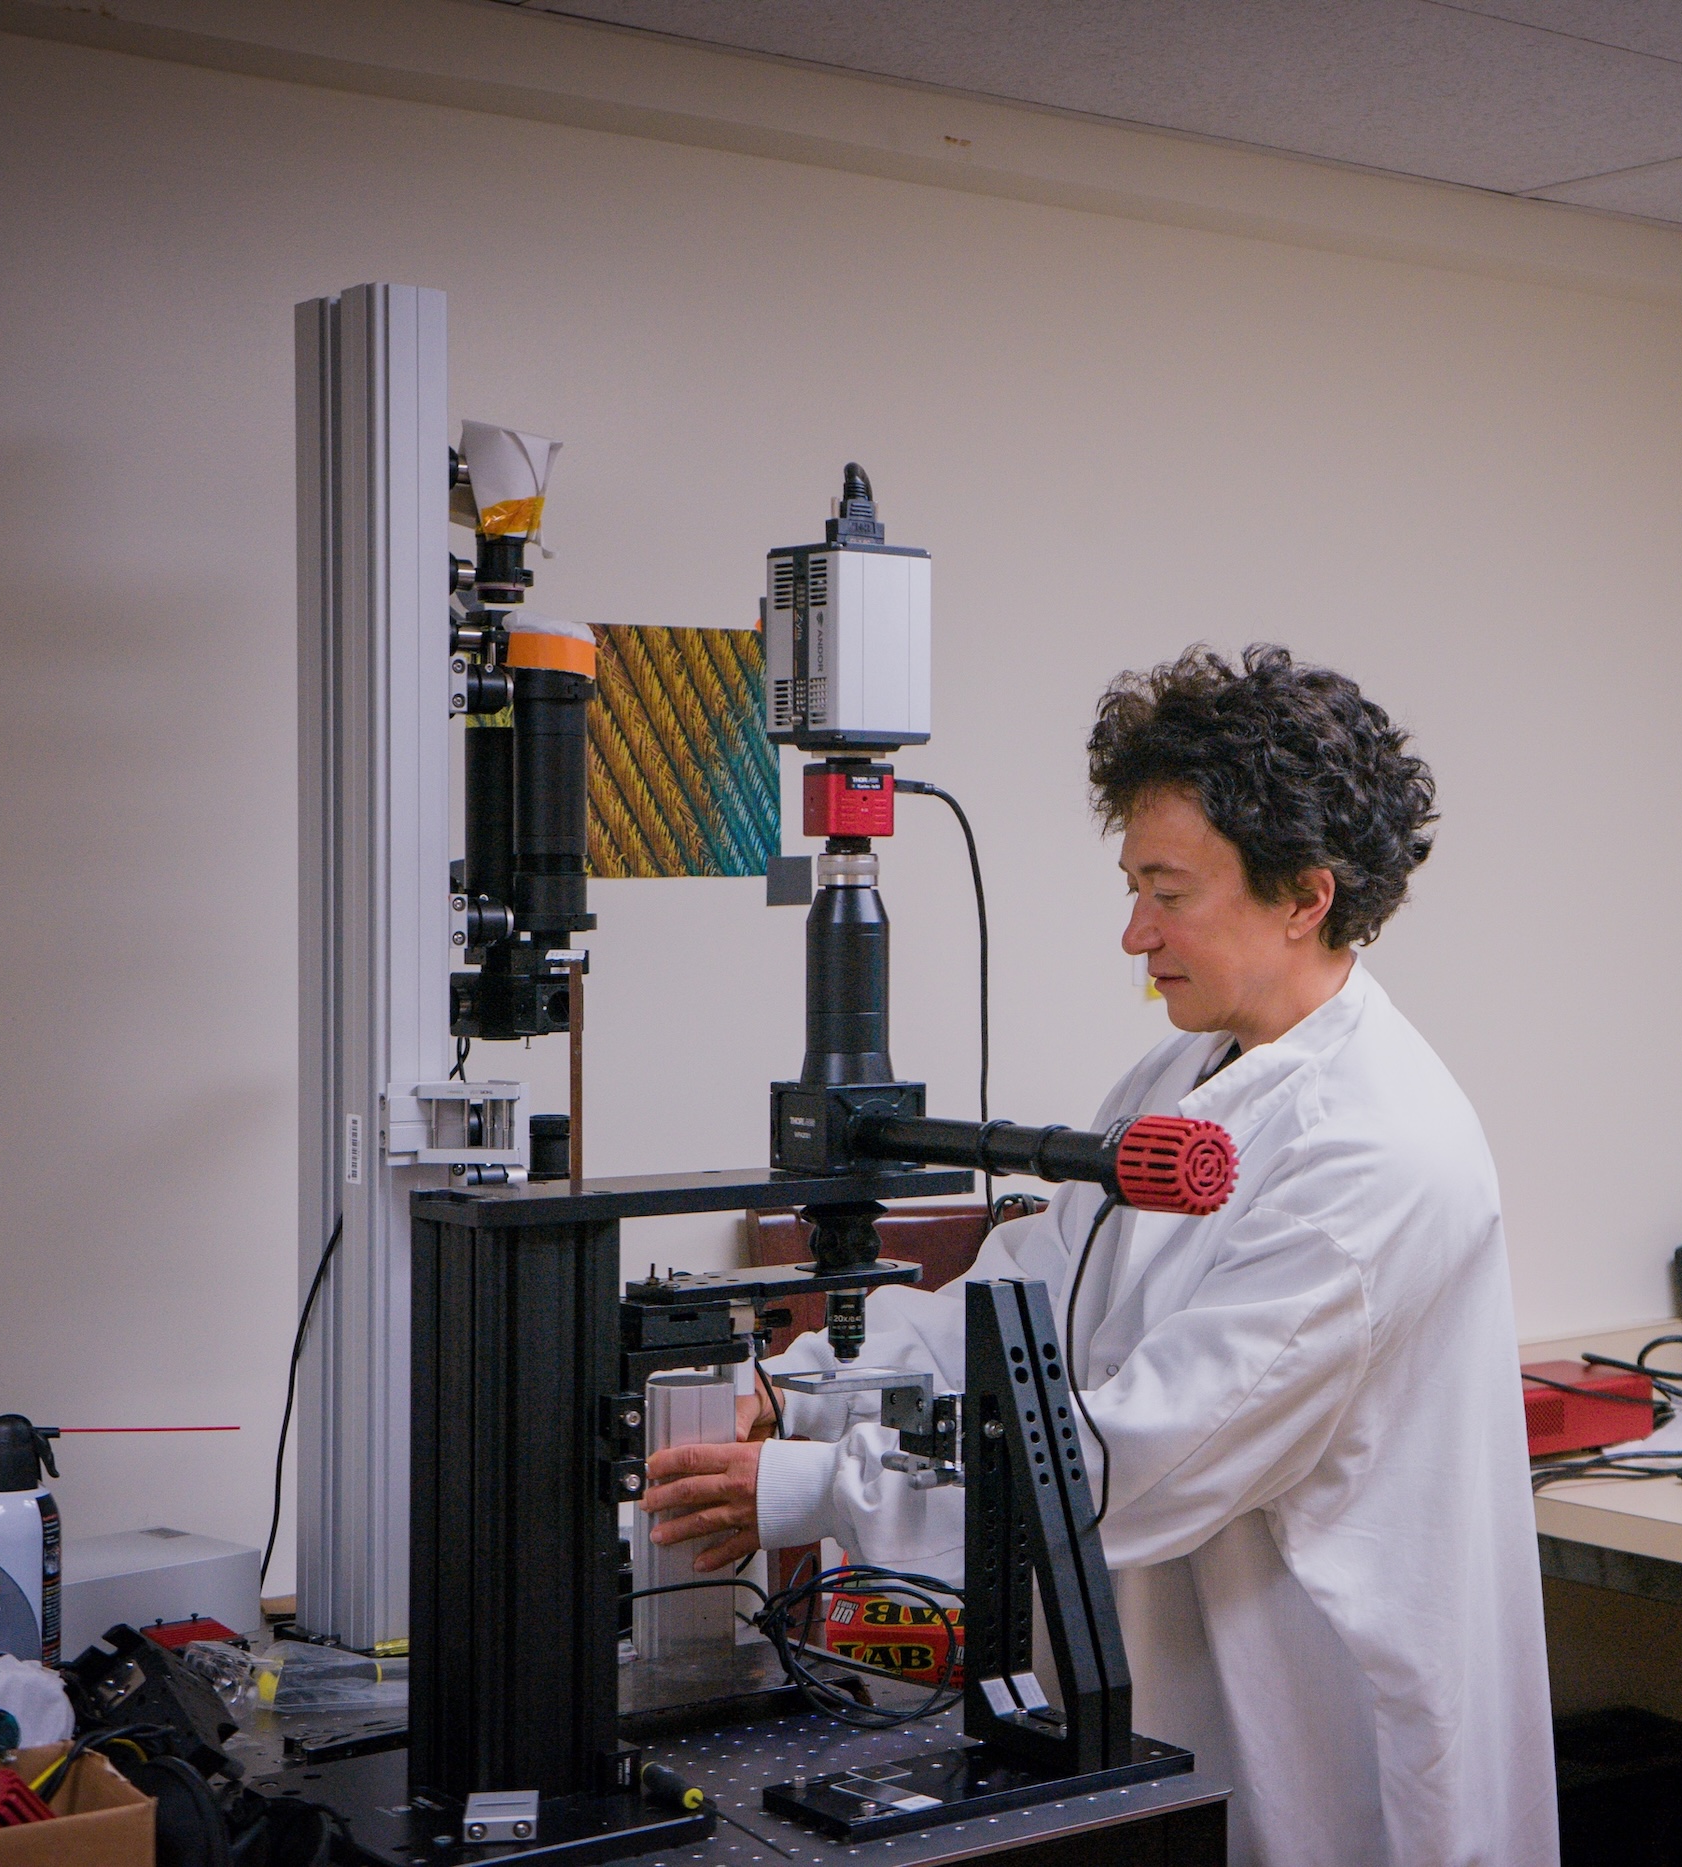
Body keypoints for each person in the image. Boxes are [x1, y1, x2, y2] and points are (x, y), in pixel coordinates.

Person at [644, 645, 1557, 1866]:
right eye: (1133, 886)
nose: (1134, 933)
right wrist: (801, 1383)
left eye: (1168, 892)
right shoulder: (1187, 1071)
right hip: (1166, 1701)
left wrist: (814, 1485)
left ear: (1303, 895)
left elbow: (1139, 1459)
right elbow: (1024, 1296)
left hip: (1321, 1745)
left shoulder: (1378, 1151)